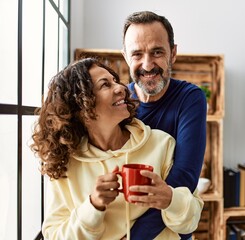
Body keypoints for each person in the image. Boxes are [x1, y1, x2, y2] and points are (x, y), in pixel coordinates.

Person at [30, 58, 204, 239]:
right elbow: (53, 235)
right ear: (81, 105)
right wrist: (93, 206)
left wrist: (170, 200)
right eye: (105, 85)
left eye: (115, 81)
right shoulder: (66, 165)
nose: (121, 88)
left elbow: (190, 222)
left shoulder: (160, 143)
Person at [121, 11, 208, 239]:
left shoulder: (190, 98)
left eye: (157, 52)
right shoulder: (117, 102)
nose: (147, 65)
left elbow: (183, 179)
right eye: (137, 54)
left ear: (173, 53)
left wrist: (133, 237)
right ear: (125, 57)